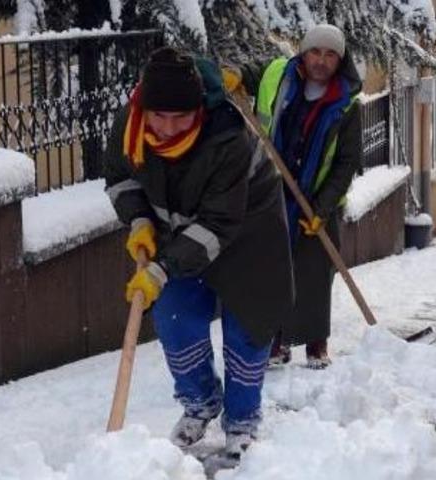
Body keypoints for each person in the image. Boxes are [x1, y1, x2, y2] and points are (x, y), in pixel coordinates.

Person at [103, 47, 294, 467]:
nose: (168, 128)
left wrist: (161, 268)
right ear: (142, 107)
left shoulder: (228, 138)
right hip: (177, 229)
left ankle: (242, 419)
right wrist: (138, 221)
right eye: (159, 116)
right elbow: (120, 179)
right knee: (174, 318)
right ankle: (200, 402)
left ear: (200, 111)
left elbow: (218, 224)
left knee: (247, 326)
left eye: (181, 118)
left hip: (248, 230)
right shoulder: (131, 125)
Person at [228, 24, 363, 369]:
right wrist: (236, 75)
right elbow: (252, 73)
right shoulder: (279, 74)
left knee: (316, 272)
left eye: (330, 54)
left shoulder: (347, 103)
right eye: (315, 51)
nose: (321, 60)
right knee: (273, 270)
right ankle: (276, 341)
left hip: (320, 198)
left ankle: (316, 344)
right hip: (272, 191)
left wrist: (322, 207)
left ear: (340, 60)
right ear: (303, 52)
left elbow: (347, 162)